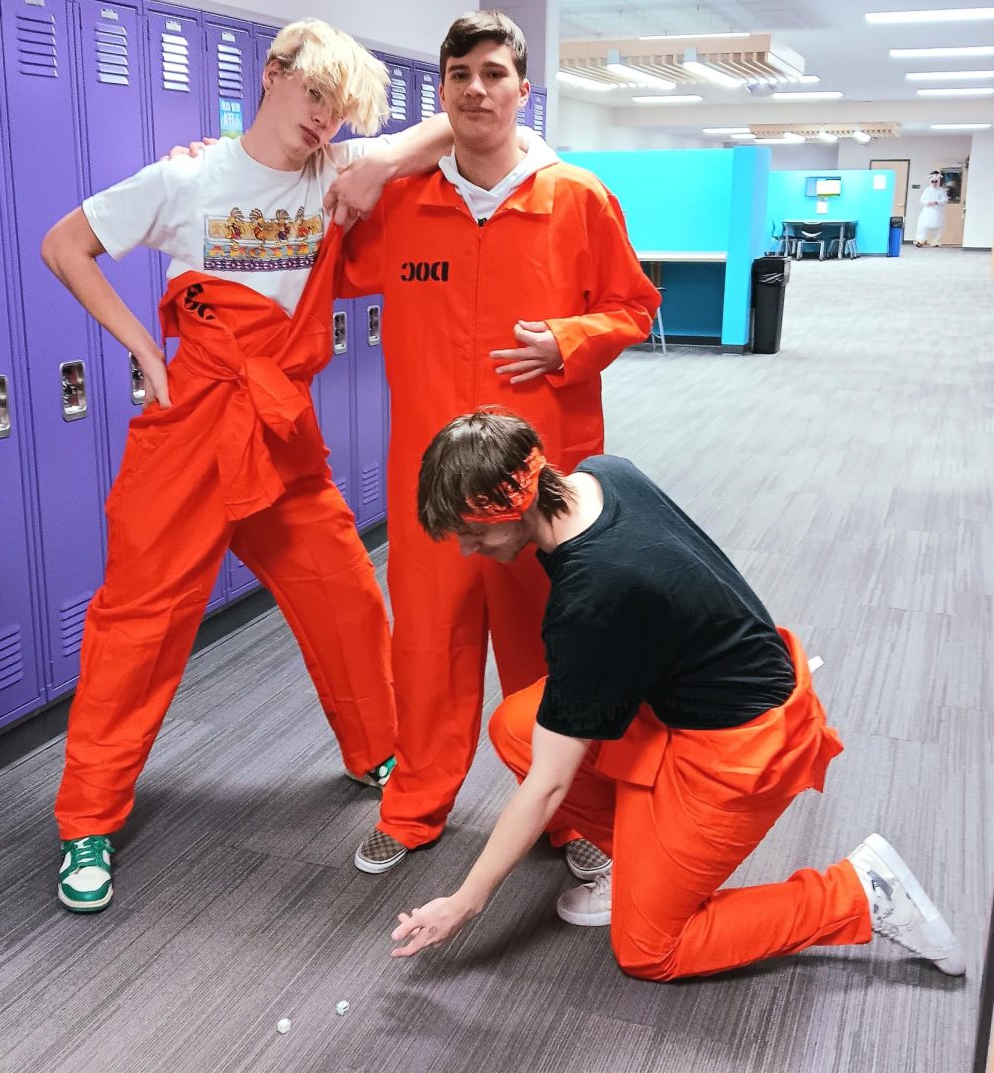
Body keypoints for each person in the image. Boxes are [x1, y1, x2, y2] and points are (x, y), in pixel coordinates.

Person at [41, 19, 467, 913]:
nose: (323, 121)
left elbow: (467, 131)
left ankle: (374, 750)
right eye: (314, 96)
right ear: (271, 76)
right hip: (192, 423)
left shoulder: (337, 178)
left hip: (280, 426)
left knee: (345, 590)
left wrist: (379, 156)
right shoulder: (186, 178)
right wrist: (145, 357)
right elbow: (64, 245)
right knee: (140, 624)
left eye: (339, 109)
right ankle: (87, 821)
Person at [388, 407, 966, 983]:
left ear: (514, 506)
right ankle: (641, 868)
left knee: (650, 950)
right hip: (690, 691)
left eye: (474, 535)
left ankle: (860, 894)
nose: (469, 551)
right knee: (518, 725)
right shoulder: (600, 475)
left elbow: (550, 785)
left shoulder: (593, 594)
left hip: (745, 745)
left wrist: (464, 901)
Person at [336, 11, 662, 877]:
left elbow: (634, 306)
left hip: (538, 479)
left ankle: (576, 814)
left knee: (550, 649)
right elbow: (315, 241)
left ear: (523, 88)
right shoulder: (404, 203)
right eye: (459, 76)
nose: (476, 90)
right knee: (428, 646)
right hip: (434, 484)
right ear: (440, 92)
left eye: (493, 74)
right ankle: (415, 806)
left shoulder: (576, 198)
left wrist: (569, 340)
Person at [914, 170, 948, 248]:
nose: (934, 183)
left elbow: (945, 199)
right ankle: (920, 240)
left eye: (936, 181)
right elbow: (922, 199)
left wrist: (937, 202)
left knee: (938, 227)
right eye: (932, 181)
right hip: (927, 211)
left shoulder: (942, 190)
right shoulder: (927, 190)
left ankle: (935, 241)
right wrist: (927, 203)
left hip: (938, 211)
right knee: (923, 225)